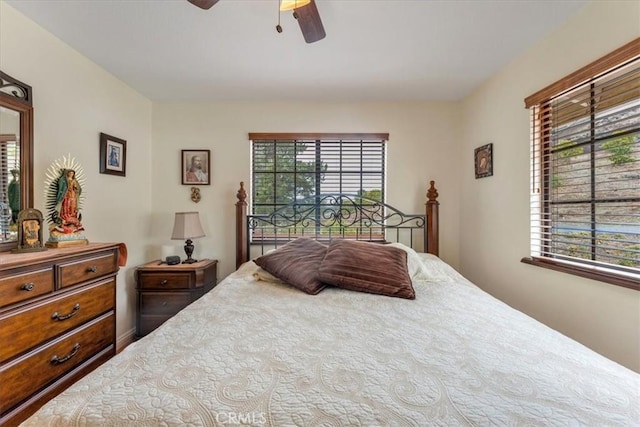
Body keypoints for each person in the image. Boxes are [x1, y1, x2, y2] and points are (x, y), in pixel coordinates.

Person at [52, 169, 84, 234]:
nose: (71, 174)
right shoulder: (64, 180)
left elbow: (78, 189)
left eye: (72, 173)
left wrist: (75, 188)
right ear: (67, 173)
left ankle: (72, 216)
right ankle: (65, 216)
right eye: (70, 173)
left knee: (73, 206)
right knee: (66, 205)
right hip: (66, 195)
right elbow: (62, 187)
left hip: (73, 195)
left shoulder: (74, 180)